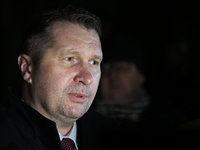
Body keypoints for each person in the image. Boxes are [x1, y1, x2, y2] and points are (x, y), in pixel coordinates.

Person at [0, 5, 121, 150]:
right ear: (27, 68)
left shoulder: (117, 139)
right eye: (70, 59)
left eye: (94, 62)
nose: (87, 78)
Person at [93, 35, 186, 131]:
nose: (112, 75)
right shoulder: (82, 123)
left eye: (123, 68)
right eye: (105, 70)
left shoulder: (170, 123)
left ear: (140, 76)